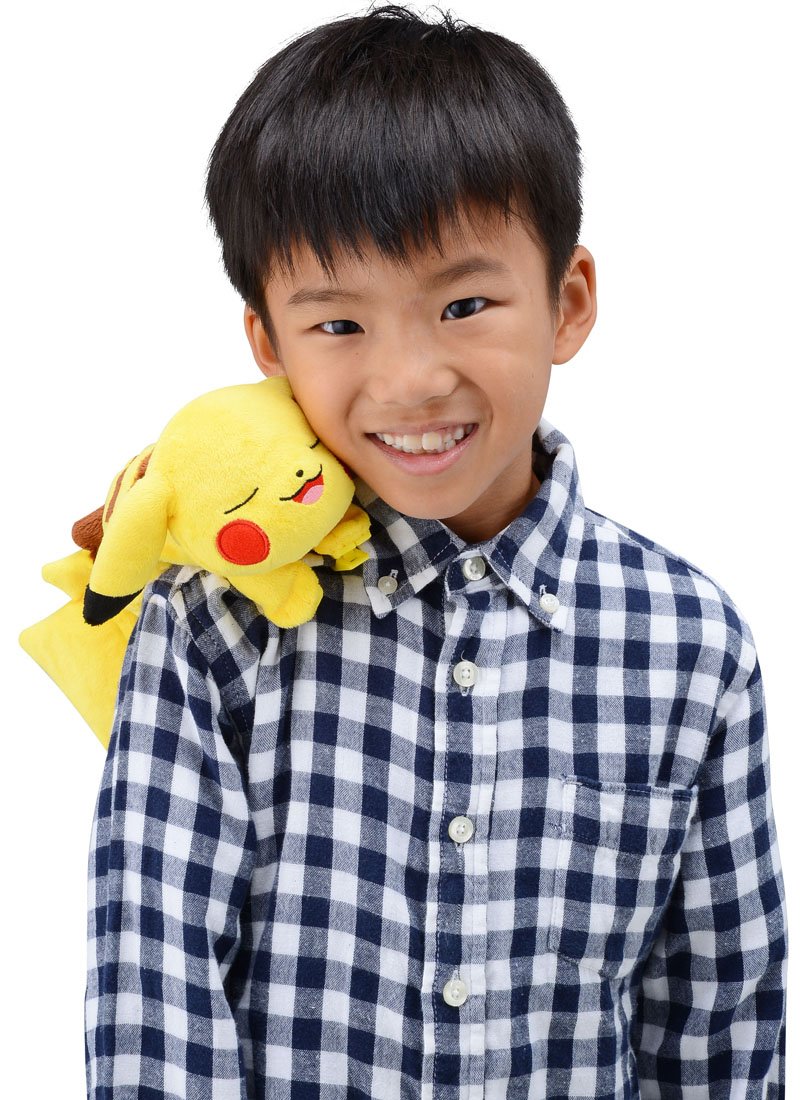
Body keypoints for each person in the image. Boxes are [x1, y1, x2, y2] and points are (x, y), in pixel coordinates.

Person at [84, 4, 787, 1096]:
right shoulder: (210, 620)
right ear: (268, 342)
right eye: (339, 324)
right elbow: (155, 999)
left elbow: (717, 1019)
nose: (411, 380)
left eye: (464, 303)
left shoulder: (690, 644)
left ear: (567, 301)